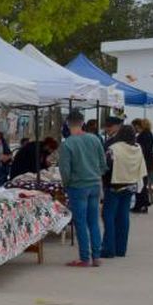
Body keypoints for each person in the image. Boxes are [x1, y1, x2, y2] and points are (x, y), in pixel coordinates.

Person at [58, 112, 105, 267]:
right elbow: (103, 163)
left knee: (80, 222)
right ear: (83, 122)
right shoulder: (95, 139)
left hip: (78, 186)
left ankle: (84, 257)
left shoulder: (67, 144)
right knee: (93, 221)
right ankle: (96, 256)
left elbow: (65, 169)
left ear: (67, 124)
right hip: (94, 184)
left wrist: (67, 184)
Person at [100, 125, 146, 258]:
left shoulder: (113, 149)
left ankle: (108, 248)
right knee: (123, 216)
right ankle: (121, 249)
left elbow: (104, 166)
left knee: (108, 216)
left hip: (114, 186)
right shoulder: (137, 148)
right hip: (130, 185)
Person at [132, 117, 153, 213]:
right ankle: (143, 204)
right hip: (148, 162)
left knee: (140, 184)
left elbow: (142, 149)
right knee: (142, 184)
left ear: (137, 126)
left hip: (143, 162)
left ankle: (141, 204)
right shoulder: (148, 134)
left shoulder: (143, 135)